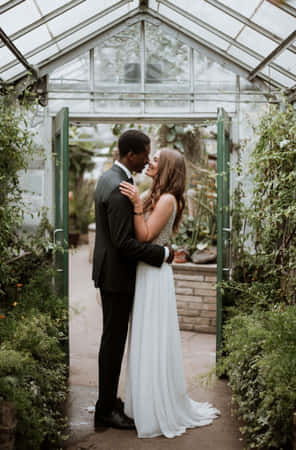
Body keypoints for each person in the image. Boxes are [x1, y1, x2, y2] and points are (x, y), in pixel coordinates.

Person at [119, 147, 220, 438]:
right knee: (145, 336)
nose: (149, 162)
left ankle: (154, 406)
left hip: (153, 275)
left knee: (151, 337)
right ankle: (142, 403)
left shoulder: (166, 199)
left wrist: (137, 206)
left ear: (166, 169)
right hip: (148, 271)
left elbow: (146, 235)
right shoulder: (158, 195)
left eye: (155, 160)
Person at [92, 130, 174, 430]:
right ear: (131, 155)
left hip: (110, 274)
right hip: (116, 277)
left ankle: (110, 402)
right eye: (145, 154)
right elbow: (124, 243)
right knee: (113, 344)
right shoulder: (119, 187)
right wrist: (162, 253)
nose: (147, 159)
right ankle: (105, 410)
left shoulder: (109, 179)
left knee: (112, 341)